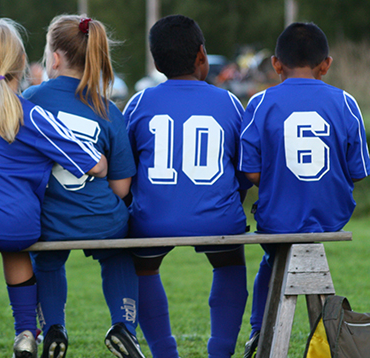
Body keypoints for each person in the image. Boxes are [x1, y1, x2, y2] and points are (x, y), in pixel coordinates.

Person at [0, 18, 107, 358]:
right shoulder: (28, 113)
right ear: (22, 63)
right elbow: (93, 163)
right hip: (18, 223)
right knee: (14, 245)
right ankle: (24, 333)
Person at [239, 22, 370, 358]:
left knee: (272, 258)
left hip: (279, 217)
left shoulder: (260, 102)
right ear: (326, 64)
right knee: (281, 254)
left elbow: (250, 170)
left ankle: (257, 329)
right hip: (332, 216)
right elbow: (359, 171)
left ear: (275, 64)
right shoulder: (346, 102)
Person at [124, 15, 250, 358]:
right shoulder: (229, 103)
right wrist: (230, 199)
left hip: (154, 221)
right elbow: (244, 168)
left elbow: (126, 167)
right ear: (202, 55)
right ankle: (220, 352)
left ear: (155, 61)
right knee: (229, 262)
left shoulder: (138, 103)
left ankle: (165, 354)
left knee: (144, 266)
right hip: (218, 219)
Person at [23, 15, 142, 358]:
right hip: (100, 218)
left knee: (45, 260)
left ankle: (54, 327)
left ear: (55, 57)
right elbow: (121, 188)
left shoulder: (31, 98)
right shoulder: (106, 108)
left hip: (49, 220)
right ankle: (124, 326)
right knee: (118, 252)